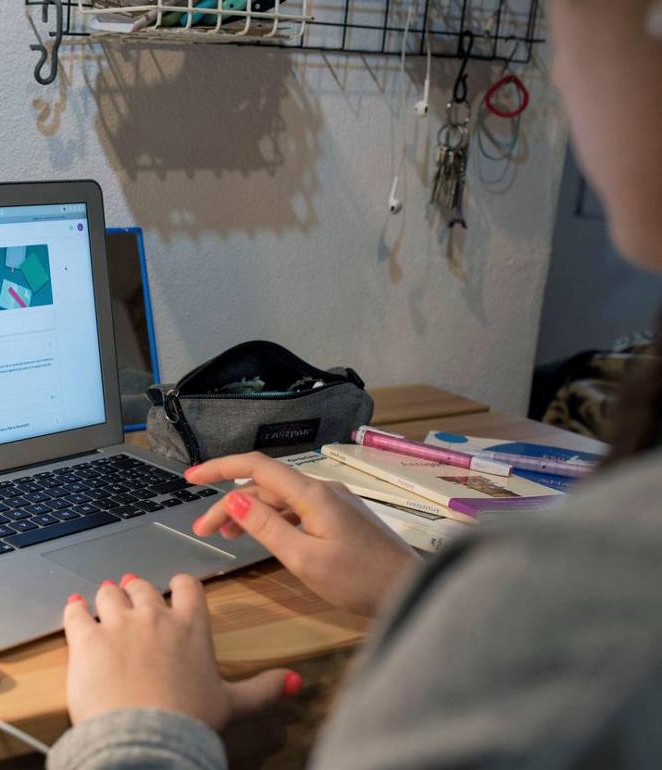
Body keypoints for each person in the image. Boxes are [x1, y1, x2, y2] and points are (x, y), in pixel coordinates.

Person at [48, 1, 662, 767]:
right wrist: (405, 585)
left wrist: (138, 732)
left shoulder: (583, 600)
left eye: (568, 20)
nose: (561, 73)